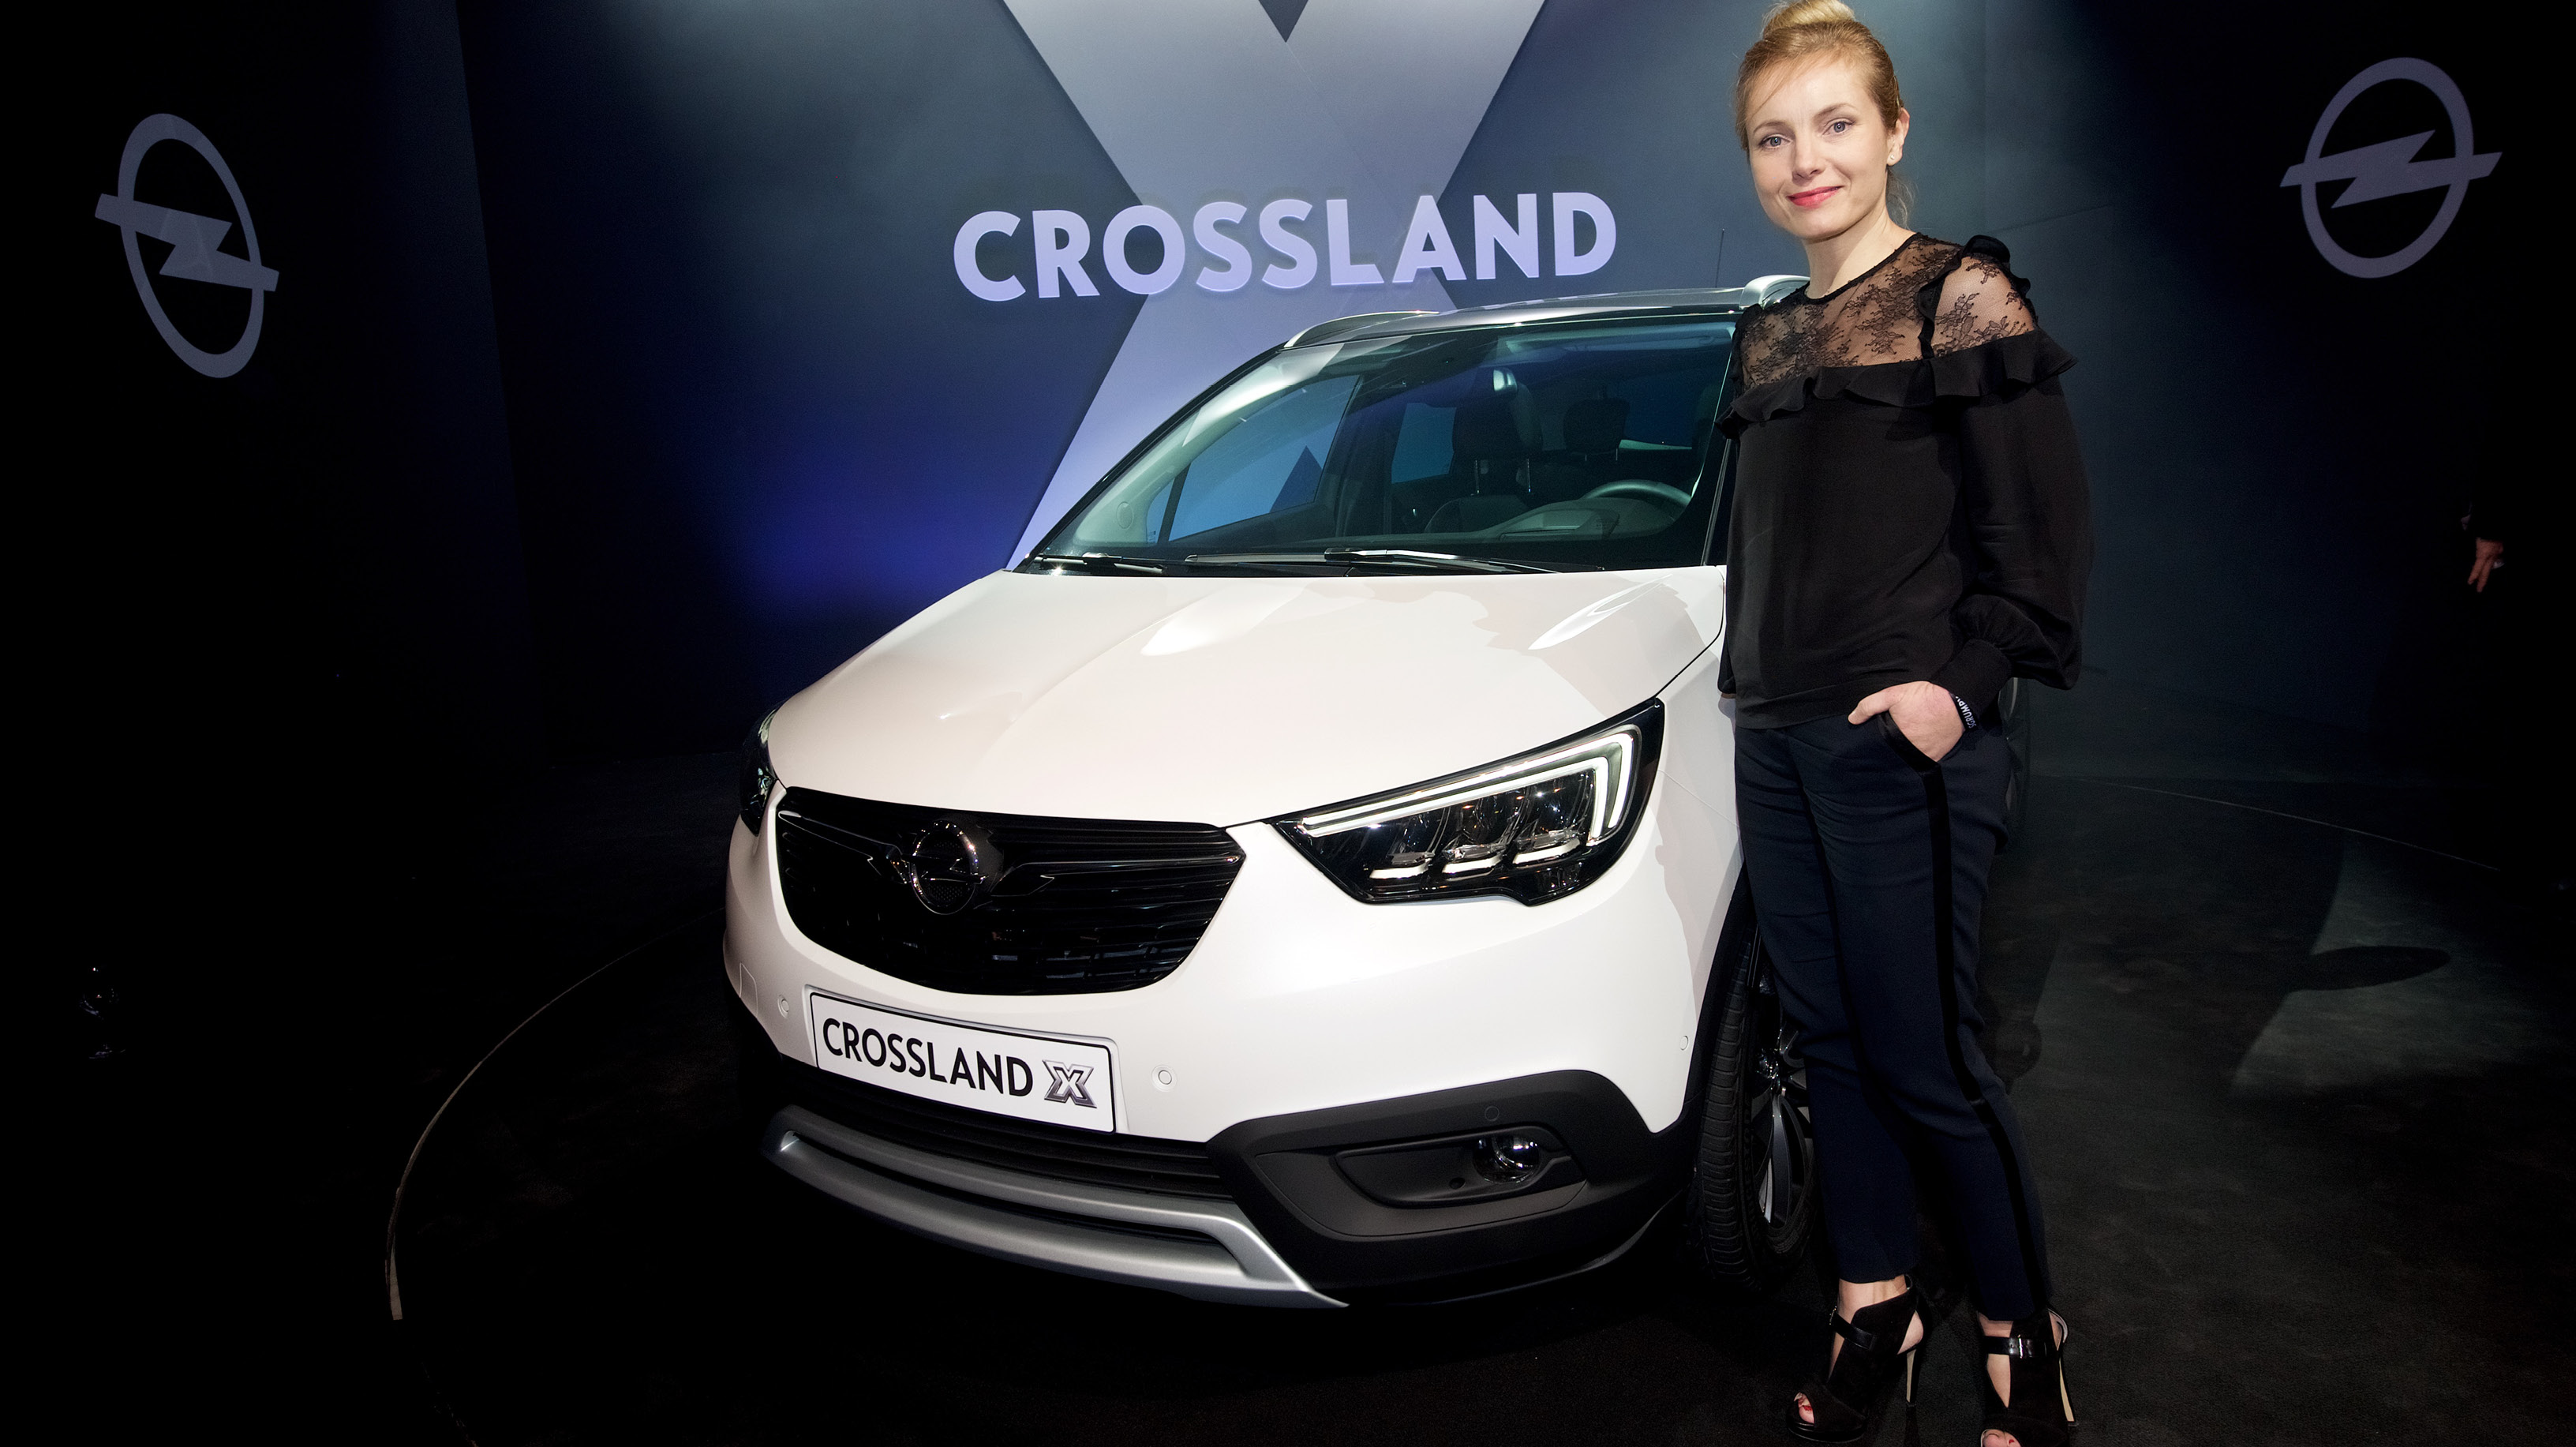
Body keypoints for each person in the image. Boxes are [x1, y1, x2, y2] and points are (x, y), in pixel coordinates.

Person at [1714, 5, 2094, 1445]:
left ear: (1894, 131)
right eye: (1773, 137)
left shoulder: (1960, 297)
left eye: (1834, 124)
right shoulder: (1765, 338)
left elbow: (2040, 543)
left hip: (1901, 745)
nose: (1803, 160)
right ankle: (1875, 1301)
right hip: (1776, 738)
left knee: (1930, 1055)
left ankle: (2022, 1331)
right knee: (1828, 1039)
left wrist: (1959, 689)